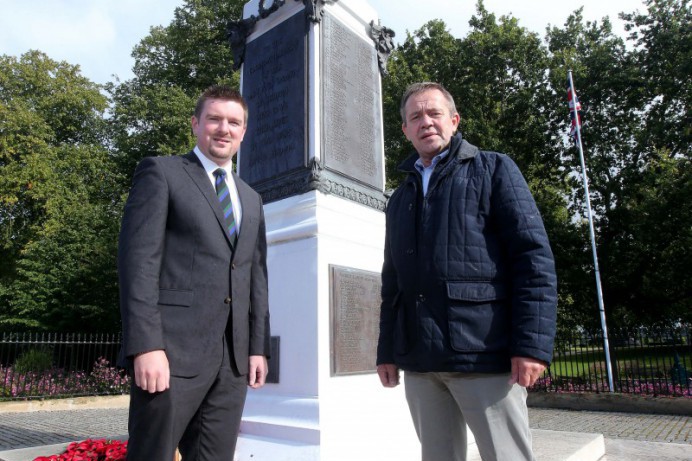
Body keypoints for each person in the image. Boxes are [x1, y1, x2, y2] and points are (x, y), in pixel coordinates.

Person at [376, 82, 557, 461]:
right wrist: (387, 350)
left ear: (454, 121)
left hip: (483, 354)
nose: (426, 122)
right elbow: (392, 282)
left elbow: (532, 259)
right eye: (415, 117)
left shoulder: (494, 169)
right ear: (405, 130)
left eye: (434, 113)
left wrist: (530, 345)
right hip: (421, 361)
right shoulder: (399, 198)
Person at [117, 85, 271, 460]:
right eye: (214, 119)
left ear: (244, 131)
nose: (224, 129)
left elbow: (256, 278)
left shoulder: (251, 198)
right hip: (171, 354)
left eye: (234, 122)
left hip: (231, 363)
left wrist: (257, 348)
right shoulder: (162, 173)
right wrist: (146, 346)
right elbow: (138, 265)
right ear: (195, 124)